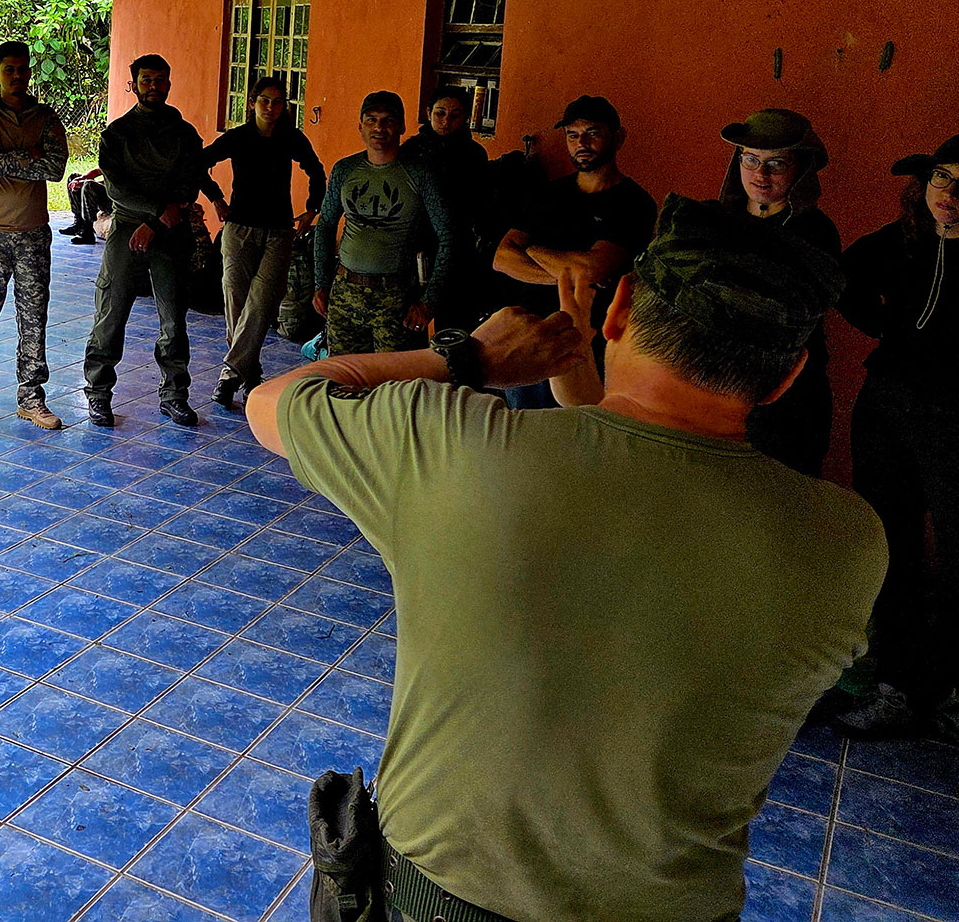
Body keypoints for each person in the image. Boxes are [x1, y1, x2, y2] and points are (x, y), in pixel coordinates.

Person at [247, 196, 884, 922]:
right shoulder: (846, 542)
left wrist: (463, 357)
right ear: (787, 375)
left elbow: (274, 402)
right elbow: (646, 495)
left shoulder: (457, 453)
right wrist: (584, 389)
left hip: (435, 904)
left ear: (619, 311)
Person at [833, 134, 959, 808]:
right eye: (939, 177)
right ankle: (901, 689)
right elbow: (841, 279)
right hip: (889, 407)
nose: (946, 193)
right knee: (888, 549)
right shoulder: (901, 241)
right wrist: (887, 330)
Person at [493, 94, 656, 405]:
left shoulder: (633, 203)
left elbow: (592, 268)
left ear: (618, 138)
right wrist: (576, 278)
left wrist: (532, 249)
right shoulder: (547, 195)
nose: (581, 143)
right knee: (522, 426)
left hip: (588, 346)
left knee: (578, 427)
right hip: (531, 336)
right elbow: (502, 258)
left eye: (592, 132)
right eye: (572, 135)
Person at [82, 53, 205, 427]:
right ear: (133, 85)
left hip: (170, 231)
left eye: (160, 79)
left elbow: (189, 182)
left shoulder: (184, 134)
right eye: (146, 80)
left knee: (174, 320)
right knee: (111, 314)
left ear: (169, 83)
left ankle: (174, 395)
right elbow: (116, 188)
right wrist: (154, 213)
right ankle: (98, 393)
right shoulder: (116, 134)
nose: (154, 86)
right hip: (127, 229)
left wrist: (157, 221)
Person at [718, 109, 842, 476]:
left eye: (777, 163)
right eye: (751, 159)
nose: (761, 174)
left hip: (789, 399)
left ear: (800, 169)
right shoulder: (718, 222)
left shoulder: (816, 233)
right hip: (719, 390)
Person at [0, 41, 70, 434]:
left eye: (22, 69)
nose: (17, 76)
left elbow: (55, 168)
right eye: (9, 70)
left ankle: (32, 400)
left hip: (32, 235)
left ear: (29, 73)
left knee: (34, 321)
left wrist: (11, 157)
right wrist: (29, 155)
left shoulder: (46, 117)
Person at [200, 75, 326, 410]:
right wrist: (216, 199)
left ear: (285, 106)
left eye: (277, 102)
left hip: (278, 231)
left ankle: (230, 374)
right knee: (236, 301)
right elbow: (198, 164)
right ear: (252, 103)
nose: (271, 107)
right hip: (239, 228)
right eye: (264, 101)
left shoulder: (291, 138)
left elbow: (316, 171)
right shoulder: (238, 137)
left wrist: (312, 209)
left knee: (262, 302)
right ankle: (250, 373)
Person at [311, 91, 456, 357]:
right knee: (345, 376)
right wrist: (320, 284)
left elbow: (448, 237)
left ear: (401, 127)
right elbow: (325, 225)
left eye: (389, 120)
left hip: (397, 298)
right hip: (344, 293)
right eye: (372, 120)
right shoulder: (344, 169)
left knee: (393, 380)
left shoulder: (420, 174)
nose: (379, 128)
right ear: (360, 126)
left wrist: (428, 302)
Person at [403, 87, 493, 323]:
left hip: (457, 245)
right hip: (414, 242)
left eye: (455, 115)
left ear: (465, 118)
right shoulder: (411, 151)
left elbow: (479, 201)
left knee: (454, 319)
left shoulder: (474, 154)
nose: (446, 121)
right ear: (428, 113)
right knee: (408, 317)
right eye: (440, 113)